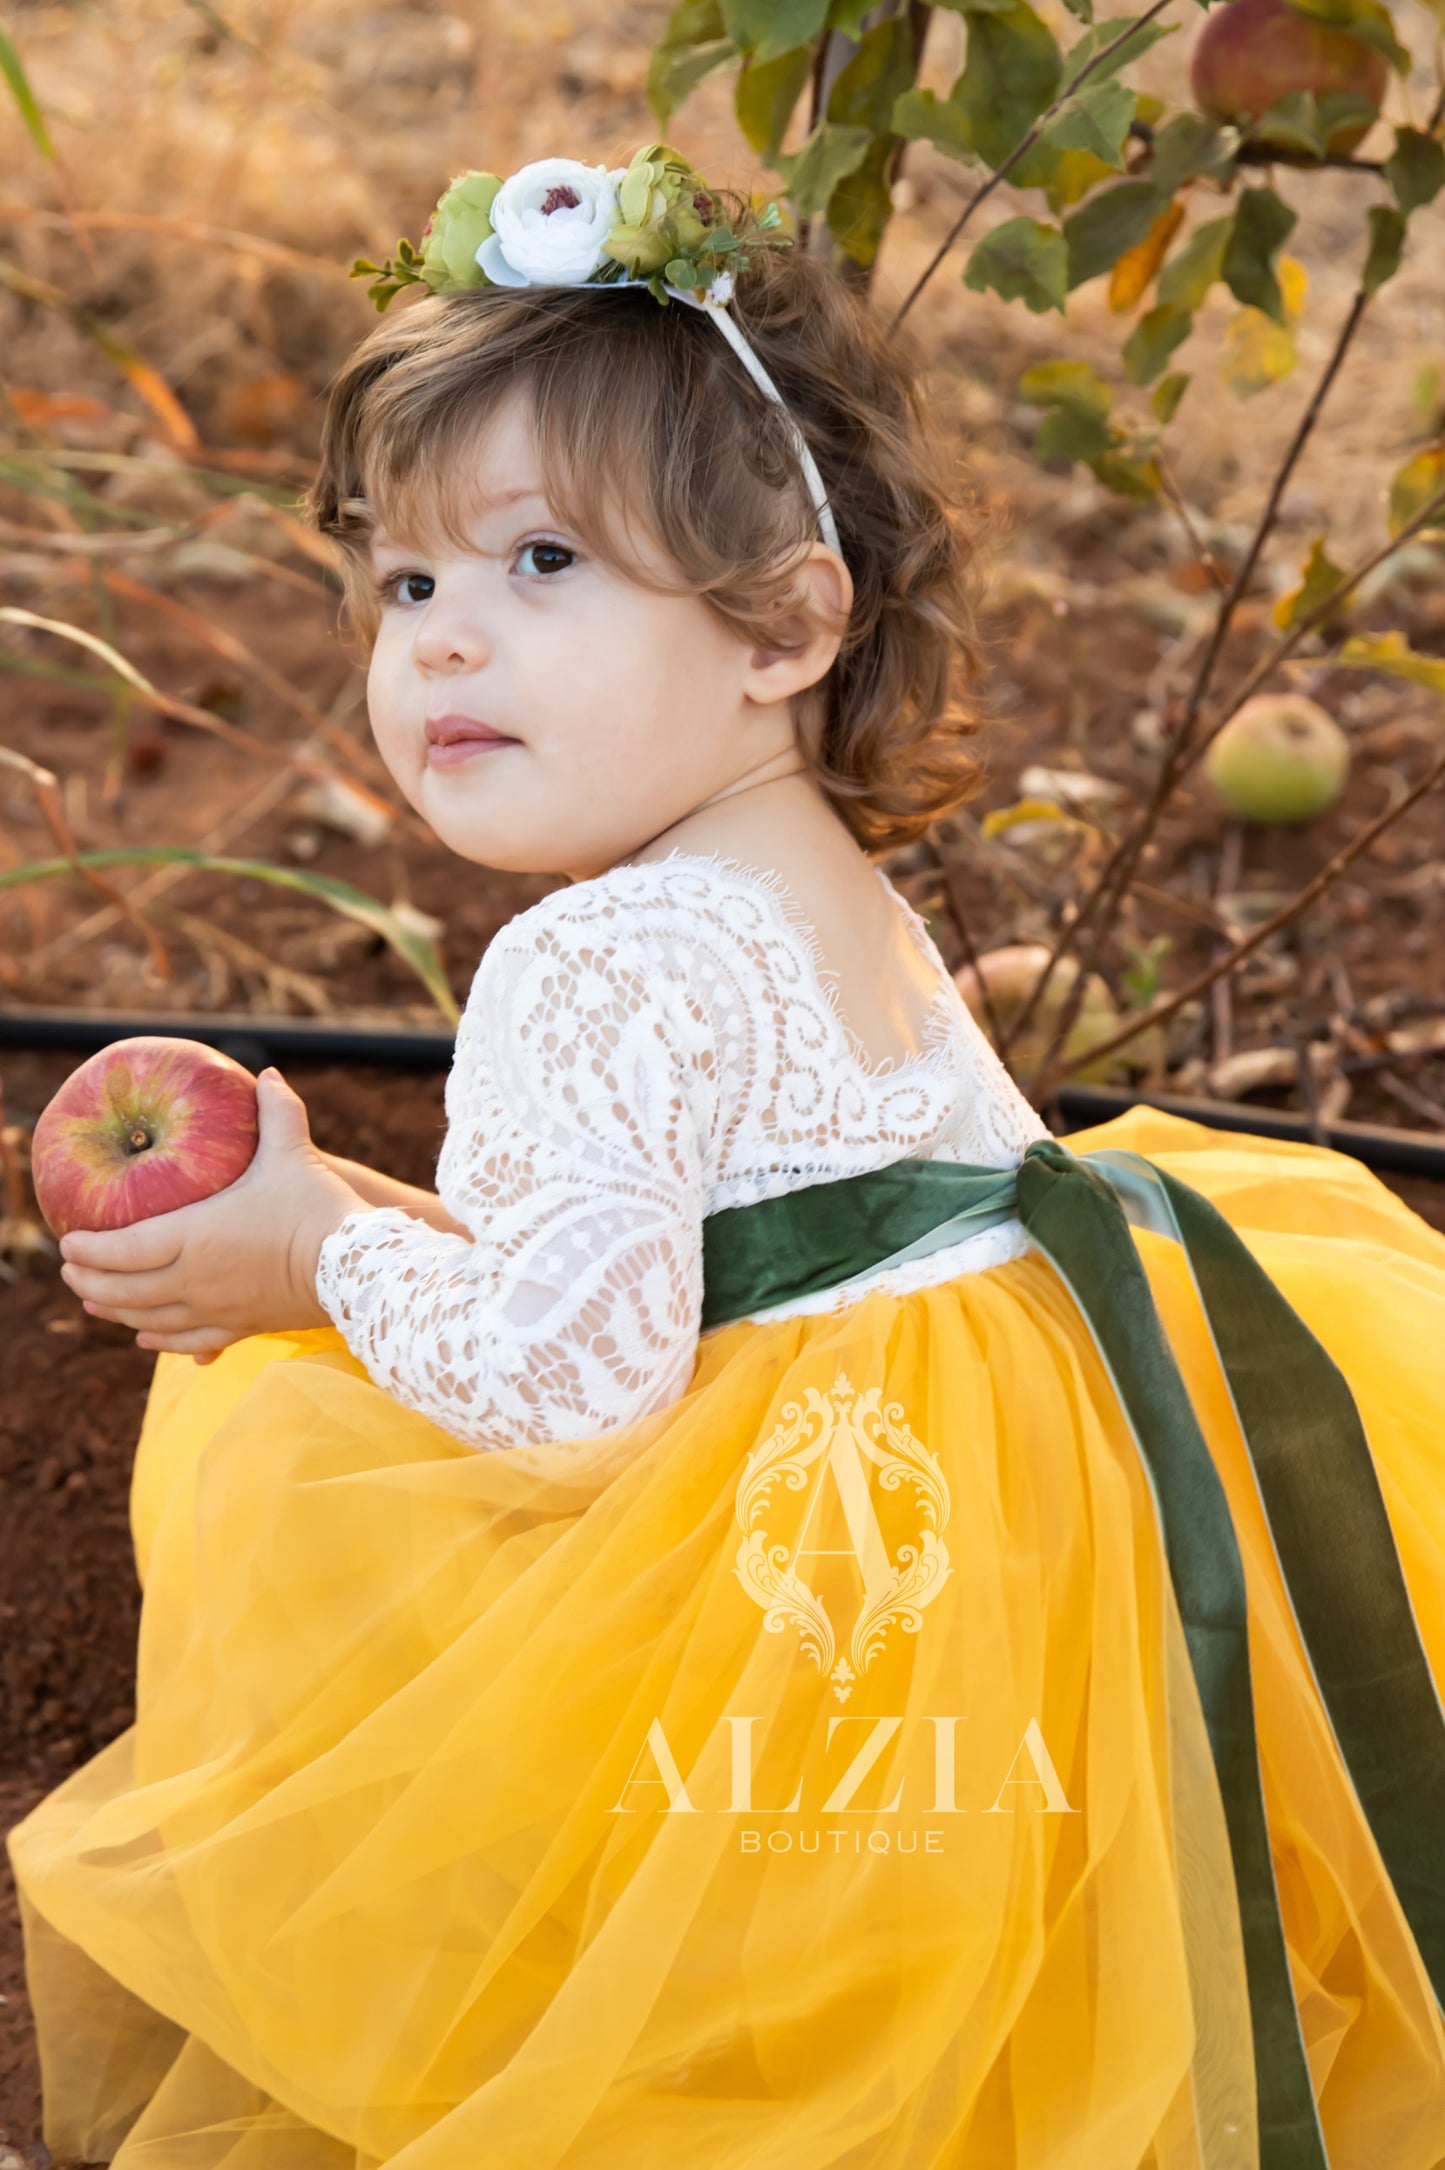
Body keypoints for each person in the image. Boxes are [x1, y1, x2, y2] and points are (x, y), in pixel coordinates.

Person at [8, 145, 1445, 2170]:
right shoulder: (814, 881)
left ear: (783, 621)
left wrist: (317, 1256)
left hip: (796, 1599)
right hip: (1035, 1545)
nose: (437, 642)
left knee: (710, 2011)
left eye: (538, 565)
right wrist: (369, 1207)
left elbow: (580, 1380)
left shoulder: (593, 959)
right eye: (406, 580)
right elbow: (738, 1257)